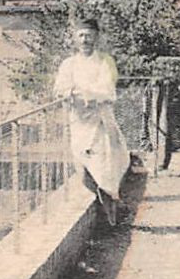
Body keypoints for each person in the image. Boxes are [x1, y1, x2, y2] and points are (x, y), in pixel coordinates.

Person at [52, 20, 131, 227]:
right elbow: (60, 89)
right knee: (82, 168)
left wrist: (85, 93)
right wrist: (73, 93)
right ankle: (111, 210)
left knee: (103, 167)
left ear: (97, 37)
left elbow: (107, 89)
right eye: (81, 36)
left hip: (100, 121)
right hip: (78, 122)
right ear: (75, 39)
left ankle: (112, 214)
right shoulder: (68, 64)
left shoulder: (105, 61)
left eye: (89, 35)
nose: (85, 40)